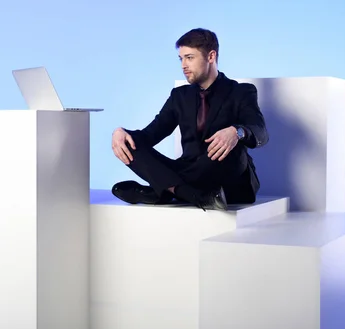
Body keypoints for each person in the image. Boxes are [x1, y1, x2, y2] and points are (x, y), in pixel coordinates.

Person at [111, 28, 269, 211]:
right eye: (181, 58)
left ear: (211, 56)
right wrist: (121, 133)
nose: (183, 65)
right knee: (130, 144)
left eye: (190, 57)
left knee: (230, 148)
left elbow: (261, 132)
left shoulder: (241, 91)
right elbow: (151, 134)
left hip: (223, 172)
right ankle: (195, 195)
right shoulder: (180, 96)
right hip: (188, 169)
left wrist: (237, 131)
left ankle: (164, 190)